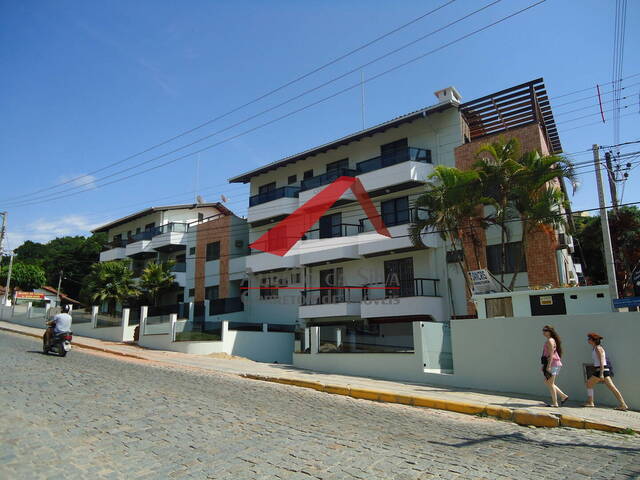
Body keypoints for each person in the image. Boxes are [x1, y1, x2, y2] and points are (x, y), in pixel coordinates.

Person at [583, 332, 628, 411]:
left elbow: (601, 361)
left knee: (589, 384)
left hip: (601, 370)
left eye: (589, 339)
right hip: (602, 370)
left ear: (593, 340)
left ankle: (590, 402)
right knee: (610, 387)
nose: (588, 340)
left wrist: (601, 374)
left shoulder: (598, 348)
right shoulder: (596, 348)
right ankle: (623, 404)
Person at [541, 325, 569, 407]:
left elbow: (551, 354)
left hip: (553, 364)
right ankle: (563, 396)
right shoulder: (551, 340)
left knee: (550, 383)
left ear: (550, 332)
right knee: (548, 382)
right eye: (543, 330)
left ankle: (555, 403)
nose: (543, 332)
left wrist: (548, 366)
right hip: (553, 363)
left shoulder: (550, 340)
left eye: (545, 330)